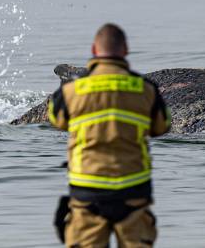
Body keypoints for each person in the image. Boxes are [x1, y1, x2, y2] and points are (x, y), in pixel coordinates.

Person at [48, 23, 171, 247]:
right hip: (133, 191)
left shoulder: (72, 90)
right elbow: (162, 128)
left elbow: (57, 121)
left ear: (95, 50)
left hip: (87, 191)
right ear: (125, 50)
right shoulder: (146, 89)